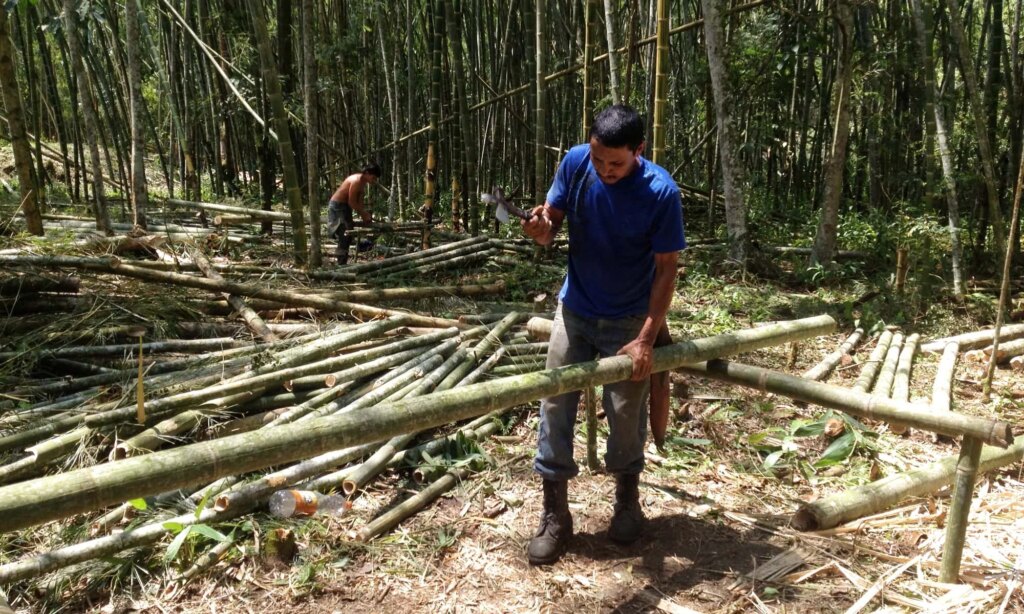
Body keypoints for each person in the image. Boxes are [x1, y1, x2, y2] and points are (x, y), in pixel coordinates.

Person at [521, 105, 686, 565]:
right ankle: (555, 516)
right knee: (554, 405)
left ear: (640, 151)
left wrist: (647, 337)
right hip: (574, 309)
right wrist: (540, 228)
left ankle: (627, 502)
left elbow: (667, 270)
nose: (605, 171)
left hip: (629, 319)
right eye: (599, 160)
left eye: (616, 163)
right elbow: (550, 224)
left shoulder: (661, 192)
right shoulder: (576, 163)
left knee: (626, 413)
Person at [328, 162, 381, 264]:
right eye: (373, 177)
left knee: (349, 233)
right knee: (345, 233)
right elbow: (352, 202)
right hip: (338, 206)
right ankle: (341, 264)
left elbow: (359, 203)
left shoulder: (362, 183)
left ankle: (343, 262)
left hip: (345, 207)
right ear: (367, 173)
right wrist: (364, 214)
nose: (374, 181)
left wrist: (364, 215)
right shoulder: (356, 181)